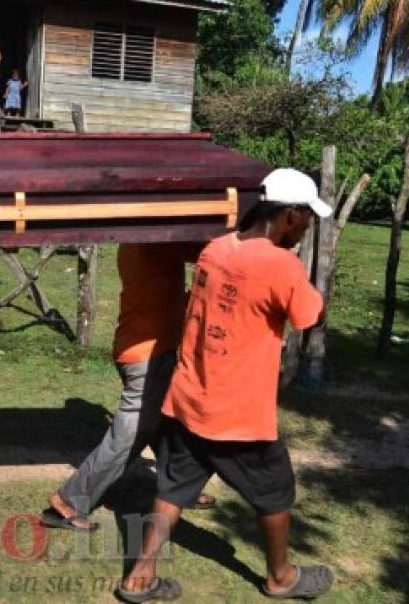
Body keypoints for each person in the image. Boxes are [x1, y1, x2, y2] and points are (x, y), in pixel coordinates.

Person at [115, 168, 335, 603]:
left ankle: (139, 577)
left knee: (172, 490)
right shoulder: (280, 264)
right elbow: (311, 317)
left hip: (187, 400)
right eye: (308, 217)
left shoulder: (215, 248)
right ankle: (281, 577)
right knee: (275, 493)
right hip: (238, 415)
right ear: (289, 214)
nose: (309, 227)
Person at [41, 243, 214, 532]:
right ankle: (67, 501)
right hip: (146, 355)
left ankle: (181, 490)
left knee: (167, 426)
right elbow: (205, 252)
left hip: (148, 348)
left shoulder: (141, 239)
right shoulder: (153, 241)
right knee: (130, 435)